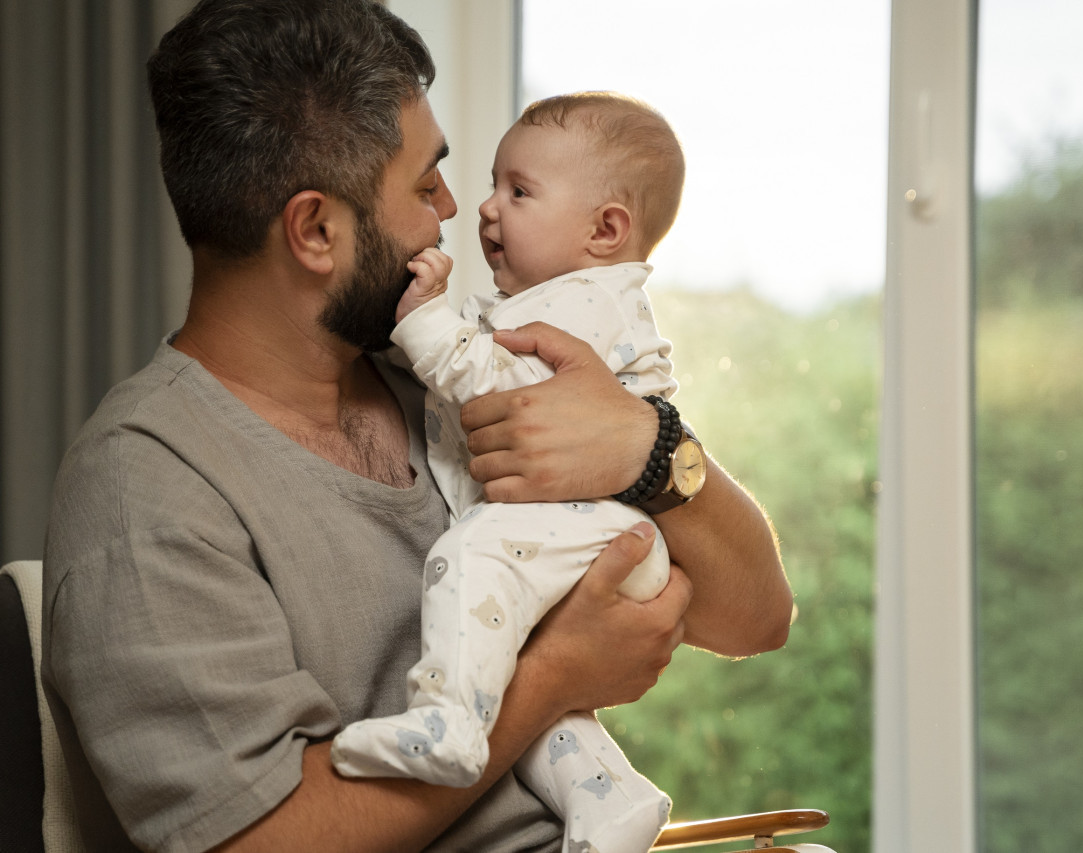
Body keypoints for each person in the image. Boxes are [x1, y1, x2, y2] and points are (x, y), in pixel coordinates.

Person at [41, 1, 792, 851]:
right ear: (317, 230)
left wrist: (648, 449)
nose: (452, 208)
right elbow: (257, 843)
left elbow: (756, 619)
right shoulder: (150, 488)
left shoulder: (435, 385)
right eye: (424, 181)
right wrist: (546, 682)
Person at [331, 92, 697, 853]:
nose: (485, 210)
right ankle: (609, 803)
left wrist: (422, 321)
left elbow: (503, 393)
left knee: (469, 555)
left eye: (518, 191)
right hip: (588, 533)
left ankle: (448, 718)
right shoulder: (545, 300)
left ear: (605, 231)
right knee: (535, 711)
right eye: (493, 184)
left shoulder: (589, 304)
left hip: (595, 530)